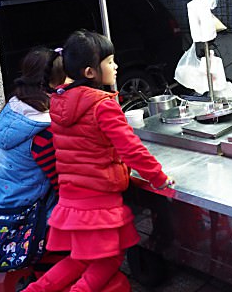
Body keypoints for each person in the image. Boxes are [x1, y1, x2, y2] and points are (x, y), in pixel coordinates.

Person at [24, 30, 174, 292]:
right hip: (98, 202)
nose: (116, 67)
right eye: (109, 62)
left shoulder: (59, 102)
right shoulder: (101, 105)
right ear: (91, 72)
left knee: (79, 260)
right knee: (110, 259)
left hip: (71, 201)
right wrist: (158, 176)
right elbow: (130, 148)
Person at [0, 47, 64, 209]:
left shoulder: (13, 107)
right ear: (51, 84)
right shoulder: (44, 130)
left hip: (2, 200)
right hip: (32, 210)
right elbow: (62, 185)